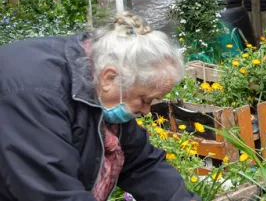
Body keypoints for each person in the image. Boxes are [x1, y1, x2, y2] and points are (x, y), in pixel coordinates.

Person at [0, 12, 199, 201]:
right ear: (109, 77)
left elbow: (142, 164)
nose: (146, 111)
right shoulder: (36, 95)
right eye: (145, 100)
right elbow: (52, 193)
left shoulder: (103, 82)